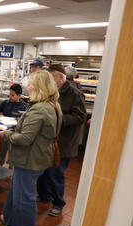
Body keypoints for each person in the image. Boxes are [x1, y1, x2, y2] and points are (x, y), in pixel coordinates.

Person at [1, 70, 61, 226]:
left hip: (30, 159)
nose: (28, 86)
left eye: (31, 83)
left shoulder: (39, 110)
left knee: (24, 196)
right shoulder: (53, 105)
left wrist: (6, 134)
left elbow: (25, 139)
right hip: (39, 156)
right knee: (16, 191)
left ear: (39, 86)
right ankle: (9, 218)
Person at [37, 64, 87, 217]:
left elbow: (81, 117)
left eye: (51, 78)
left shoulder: (75, 94)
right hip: (49, 140)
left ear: (59, 77)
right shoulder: (51, 92)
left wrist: (58, 119)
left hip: (64, 143)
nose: (49, 81)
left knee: (56, 173)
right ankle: (45, 196)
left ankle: (58, 203)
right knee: (44, 171)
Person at [0, 83, 28, 165]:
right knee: (2, 151)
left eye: (12, 95)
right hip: (4, 131)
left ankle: (11, 171)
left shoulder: (24, 107)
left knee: (12, 153)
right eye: (9, 94)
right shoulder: (6, 103)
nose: (10, 97)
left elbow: (25, 121)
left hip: (15, 134)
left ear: (19, 95)